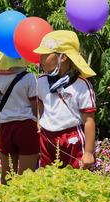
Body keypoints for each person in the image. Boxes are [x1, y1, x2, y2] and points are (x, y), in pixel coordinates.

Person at [34, 30, 97, 169]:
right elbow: (40, 102)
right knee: (47, 177)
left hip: (72, 138)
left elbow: (89, 120)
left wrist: (88, 152)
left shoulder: (81, 85)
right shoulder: (41, 82)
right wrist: (39, 120)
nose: (40, 59)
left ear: (63, 58)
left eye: (45, 55)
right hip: (47, 137)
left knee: (77, 179)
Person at [0, 49, 40, 184]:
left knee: (7, 175)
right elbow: (36, 109)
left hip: (4, 127)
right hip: (26, 127)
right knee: (27, 176)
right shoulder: (28, 77)